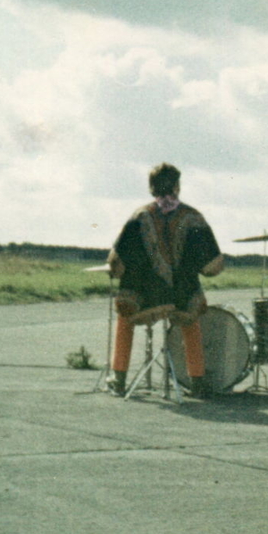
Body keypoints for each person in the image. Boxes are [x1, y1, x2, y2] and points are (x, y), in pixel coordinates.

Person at [106, 163, 224, 398]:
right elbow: (214, 266)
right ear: (177, 187)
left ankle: (118, 379)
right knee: (191, 322)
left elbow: (115, 264)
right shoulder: (194, 218)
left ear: (151, 188)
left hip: (144, 296)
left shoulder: (139, 217)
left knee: (125, 315)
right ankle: (197, 381)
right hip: (182, 296)